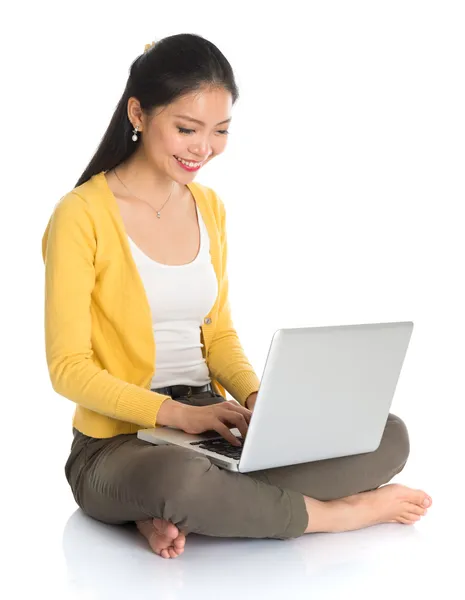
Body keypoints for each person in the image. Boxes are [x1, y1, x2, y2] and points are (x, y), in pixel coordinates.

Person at [42, 33, 432, 560]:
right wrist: (177, 417)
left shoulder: (209, 207)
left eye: (220, 131)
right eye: (187, 129)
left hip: (209, 421)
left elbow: (219, 335)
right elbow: (69, 368)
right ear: (138, 113)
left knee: (386, 434)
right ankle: (337, 514)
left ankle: (178, 511)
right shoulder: (80, 215)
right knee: (181, 480)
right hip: (118, 445)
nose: (203, 149)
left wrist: (258, 404)